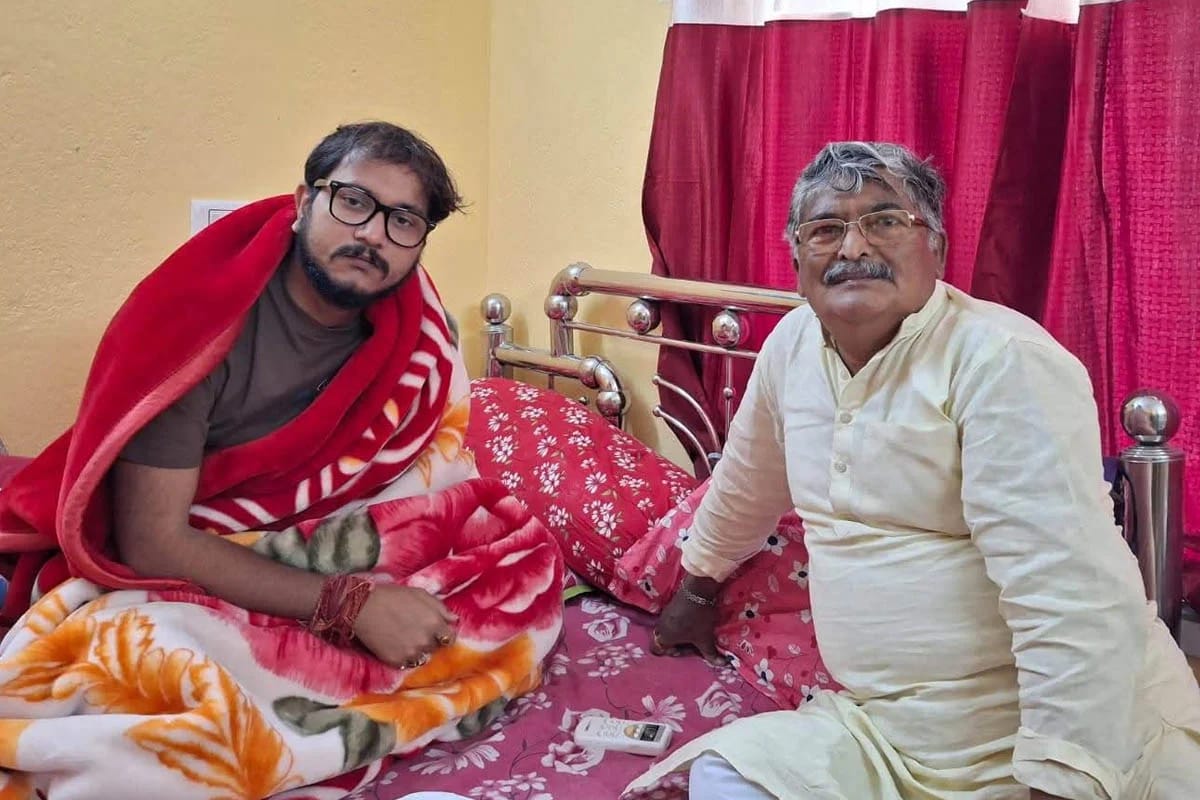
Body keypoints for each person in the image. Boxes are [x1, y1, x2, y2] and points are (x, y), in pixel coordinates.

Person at [0, 122, 564, 800]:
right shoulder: (198, 323)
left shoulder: (416, 326)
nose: (373, 233)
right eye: (353, 201)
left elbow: (429, 473)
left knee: (520, 565)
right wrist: (348, 604)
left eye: (403, 220)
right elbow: (151, 541)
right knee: (139, 667)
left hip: (330, 541)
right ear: (303, 202)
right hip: (199, 546)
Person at [631, 142, 1200, 799]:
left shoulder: (999, 360)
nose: (852, 248)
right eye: (825, 230)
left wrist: (1060, 778)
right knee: (725, 778)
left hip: (1025, 729)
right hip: (888, 734)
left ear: (937, 249)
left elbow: (1069, 597)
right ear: (797, 264)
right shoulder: (790, 347)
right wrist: (698, 589)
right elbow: (745, 483)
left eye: (884, 221)